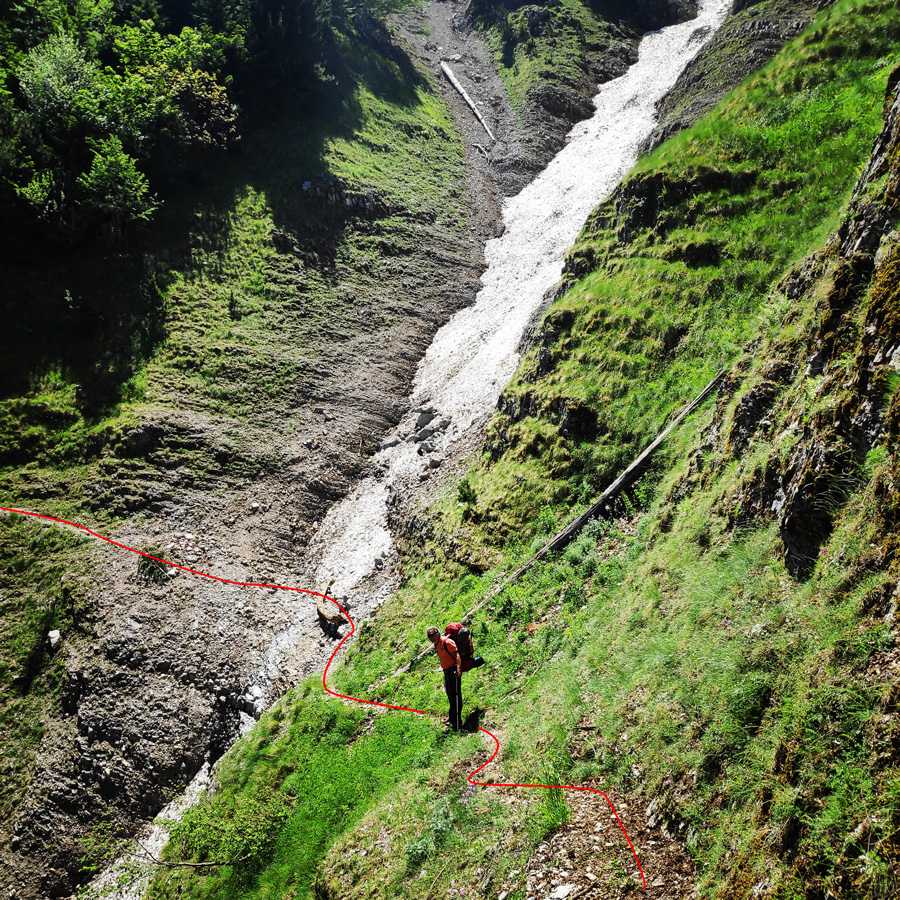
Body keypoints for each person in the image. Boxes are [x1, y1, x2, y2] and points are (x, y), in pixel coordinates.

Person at [427, 626, 463, 731]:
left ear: (438, 633)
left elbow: (457, 656)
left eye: (433, 635)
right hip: (447, 673)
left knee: (456, 697)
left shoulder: (447, 642)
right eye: (429, 636)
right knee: (450, 696)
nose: (431, 638)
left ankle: (458, 723)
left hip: (453, 672)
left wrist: (458, 669)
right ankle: (452, 718)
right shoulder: (437, 644)